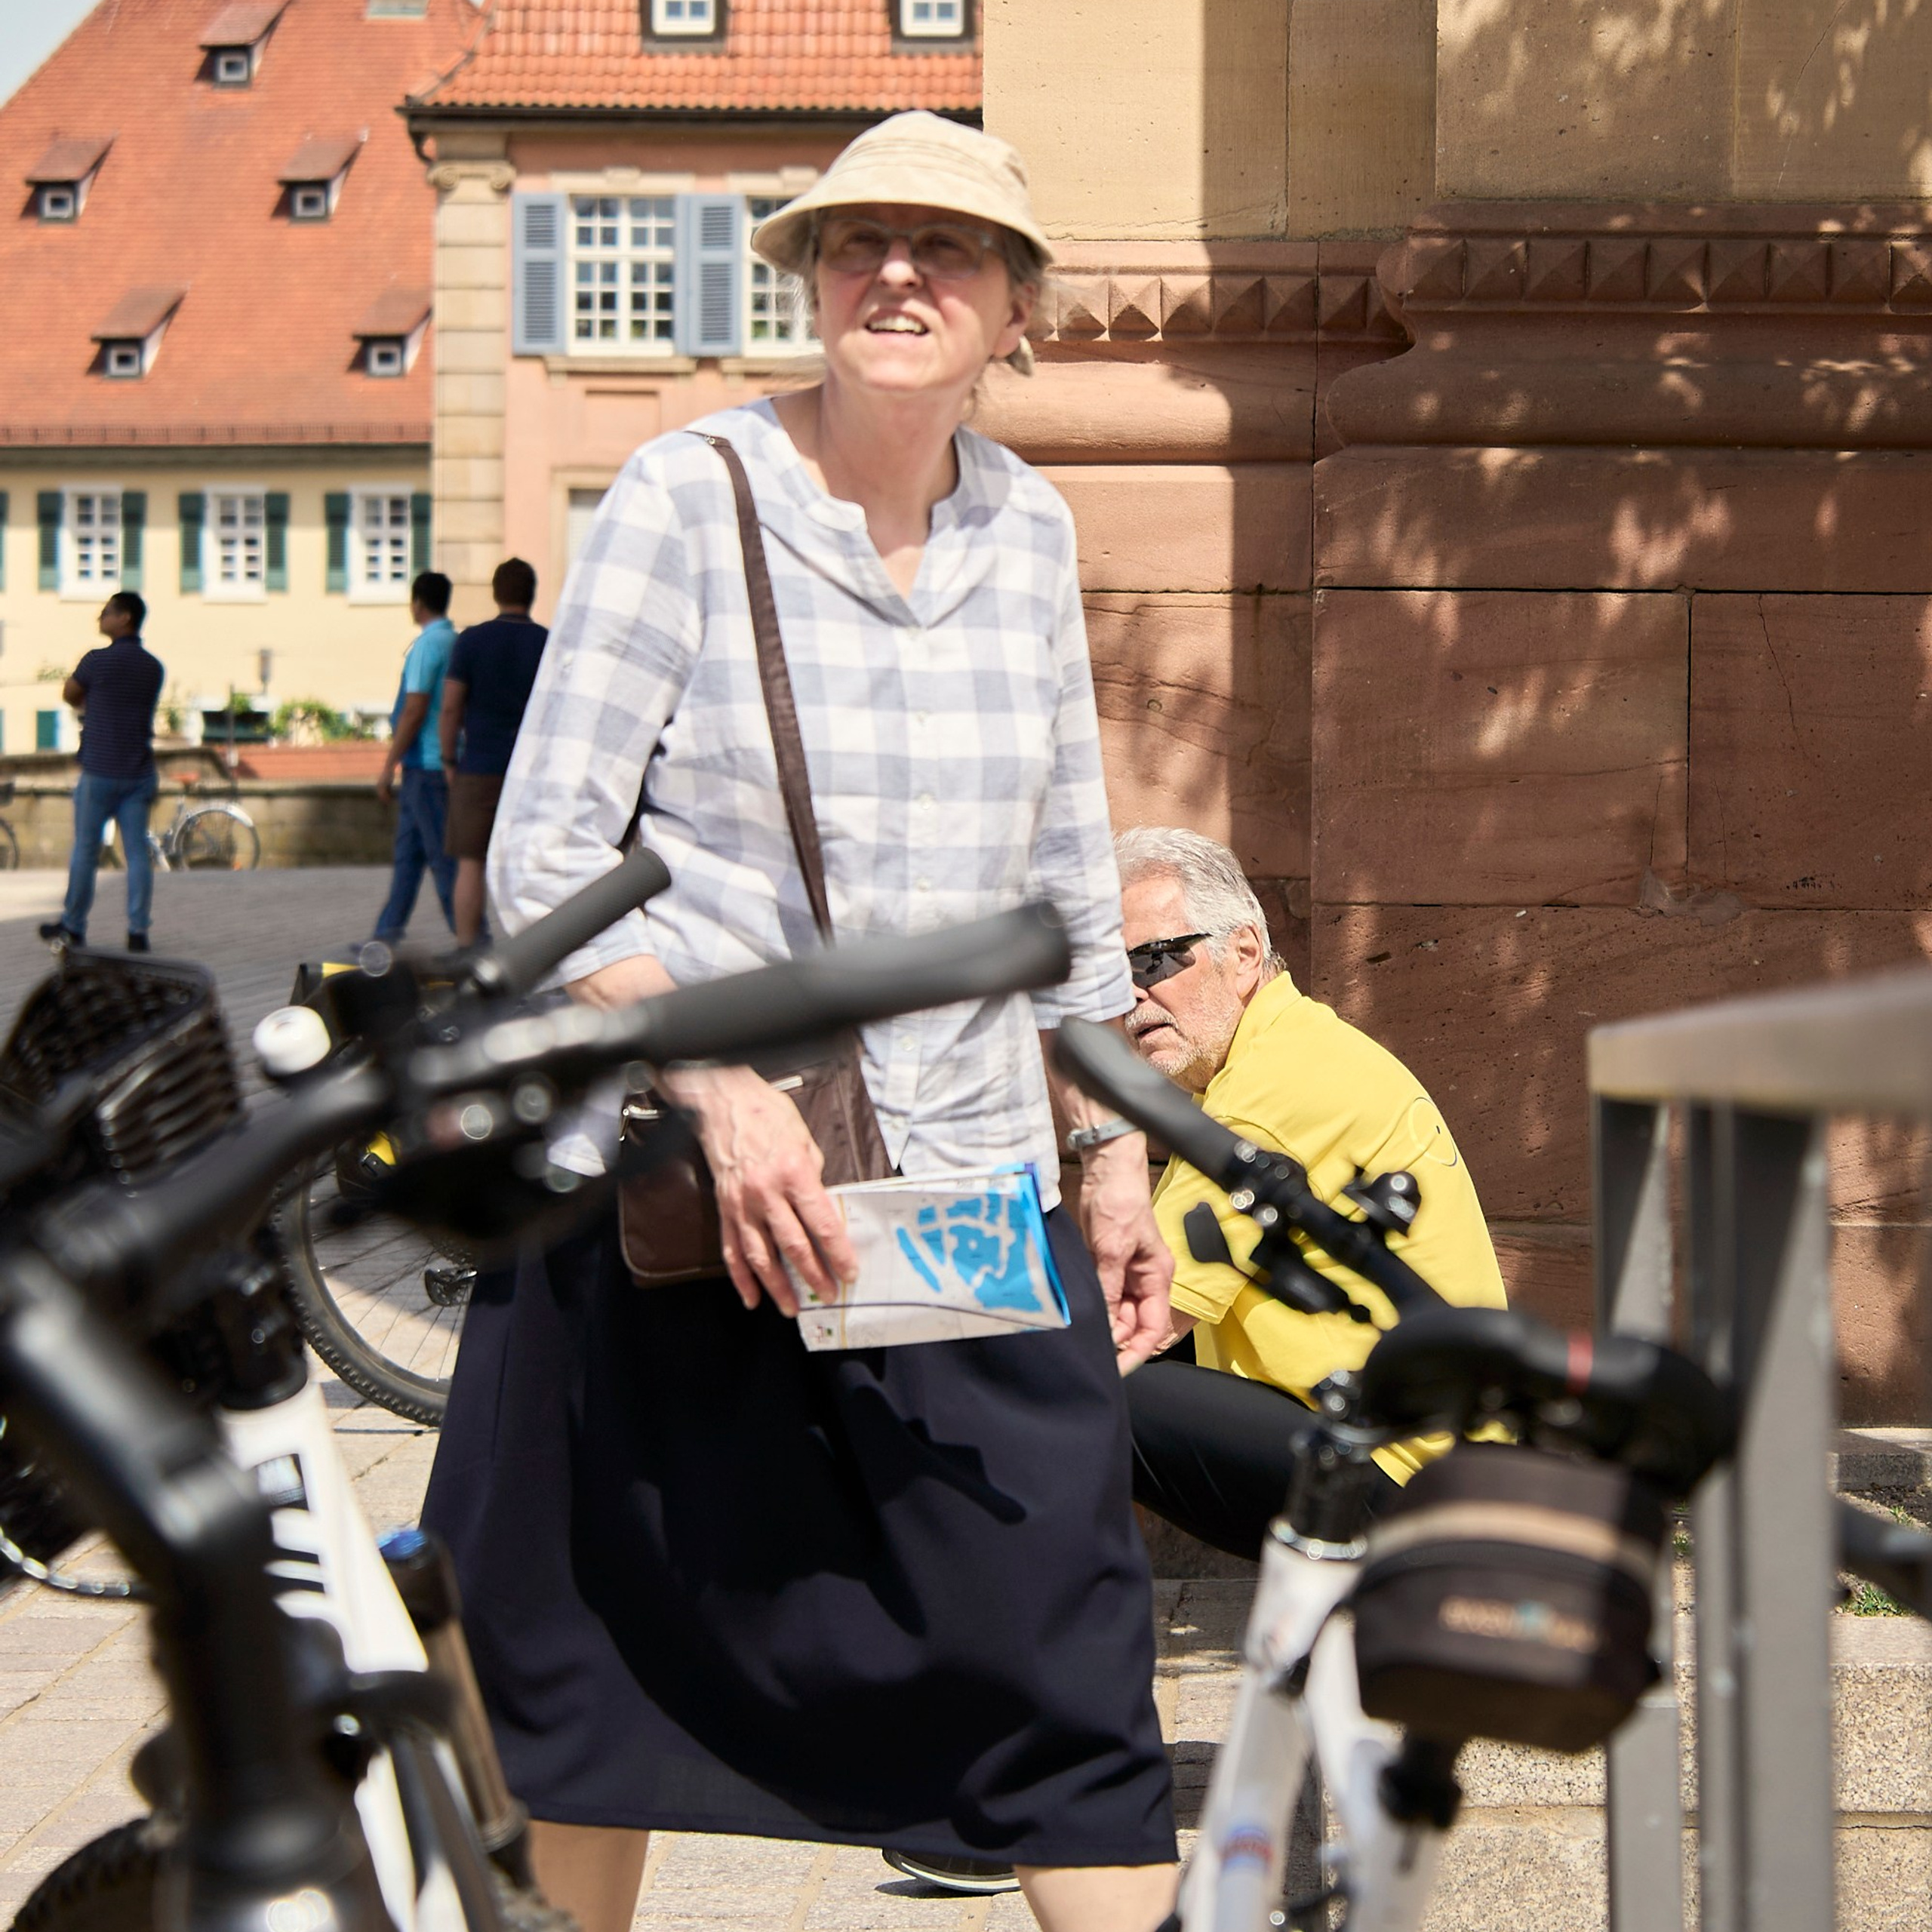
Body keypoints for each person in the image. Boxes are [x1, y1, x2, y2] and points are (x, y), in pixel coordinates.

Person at [421, 112, 1180, 1932]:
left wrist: (1116, 1148)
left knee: (1064, 1667)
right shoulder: (693, 494)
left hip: (956, 1194)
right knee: (575, 1668)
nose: (898, 274)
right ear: (808, 280)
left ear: (1016, 308)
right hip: (691, 1203)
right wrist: (706, 1074)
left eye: (948, 248)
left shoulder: (1030, 523)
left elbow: (1069, 888)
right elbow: (540, 861)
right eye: (859, 243)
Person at [1117, 827, 1509, 1558]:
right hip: (1420, 1456)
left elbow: (1133, 1319)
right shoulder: (1276, 1053)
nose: (1133, 992)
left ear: (1241, 954)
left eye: (1156, 957)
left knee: (1093, 1393)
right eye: (1113, 970)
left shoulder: (1270, 1090)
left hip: (1406, 1486)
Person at [38, 590, 164, 953]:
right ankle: (138, 931)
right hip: (139, 771)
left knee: (85, 850)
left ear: (124, 618)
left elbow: (69, 693)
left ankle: (74, 925)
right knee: (138, 852)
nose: (100, 619)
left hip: (100, 770)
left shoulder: (96, 662)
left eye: (106, 613)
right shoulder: (152, 667)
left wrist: (90, 699)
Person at [439, 556, 548, 945]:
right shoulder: (547, 643)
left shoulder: (471, 641)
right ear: (531, 594)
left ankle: (468, 949)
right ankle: (534, 950)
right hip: (531, 772)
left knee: (471, 863)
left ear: (495, 593)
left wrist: (449, 759)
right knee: (532, 866)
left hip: (479, 765)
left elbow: (451, 706)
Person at [372, 571, 458, 942]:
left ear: (418, 602)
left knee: (442, 859)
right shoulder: (454, 641)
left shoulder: (426, 646)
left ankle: (472, 936)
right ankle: (385, 937)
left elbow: (415, 708)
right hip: (430, 765)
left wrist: (388, 764)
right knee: (408, 857)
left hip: (426, 765)